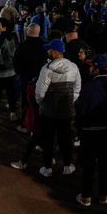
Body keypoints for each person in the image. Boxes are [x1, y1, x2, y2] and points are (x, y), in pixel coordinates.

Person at [73, 55, 107, 207]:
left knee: (88, 164)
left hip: (89, 131)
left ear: (96, 68)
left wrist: (78, 128)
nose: (89, 68)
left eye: (91, 66)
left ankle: (86, 196)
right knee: (103, 163)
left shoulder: (88, 87)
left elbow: (80, 111)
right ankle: (103, 195)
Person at [35, 38, 82, 177]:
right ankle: (67, 166)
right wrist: (69, 102)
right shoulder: (74, 67)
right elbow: (77, 88)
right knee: (66, 139)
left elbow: (40, 92)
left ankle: (48, 168)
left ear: (55, 52)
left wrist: (42, 103)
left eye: (50, 50)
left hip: (48, 112)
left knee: (48, 140)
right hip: (67, 111)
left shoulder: (46, 69)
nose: (48, 52)